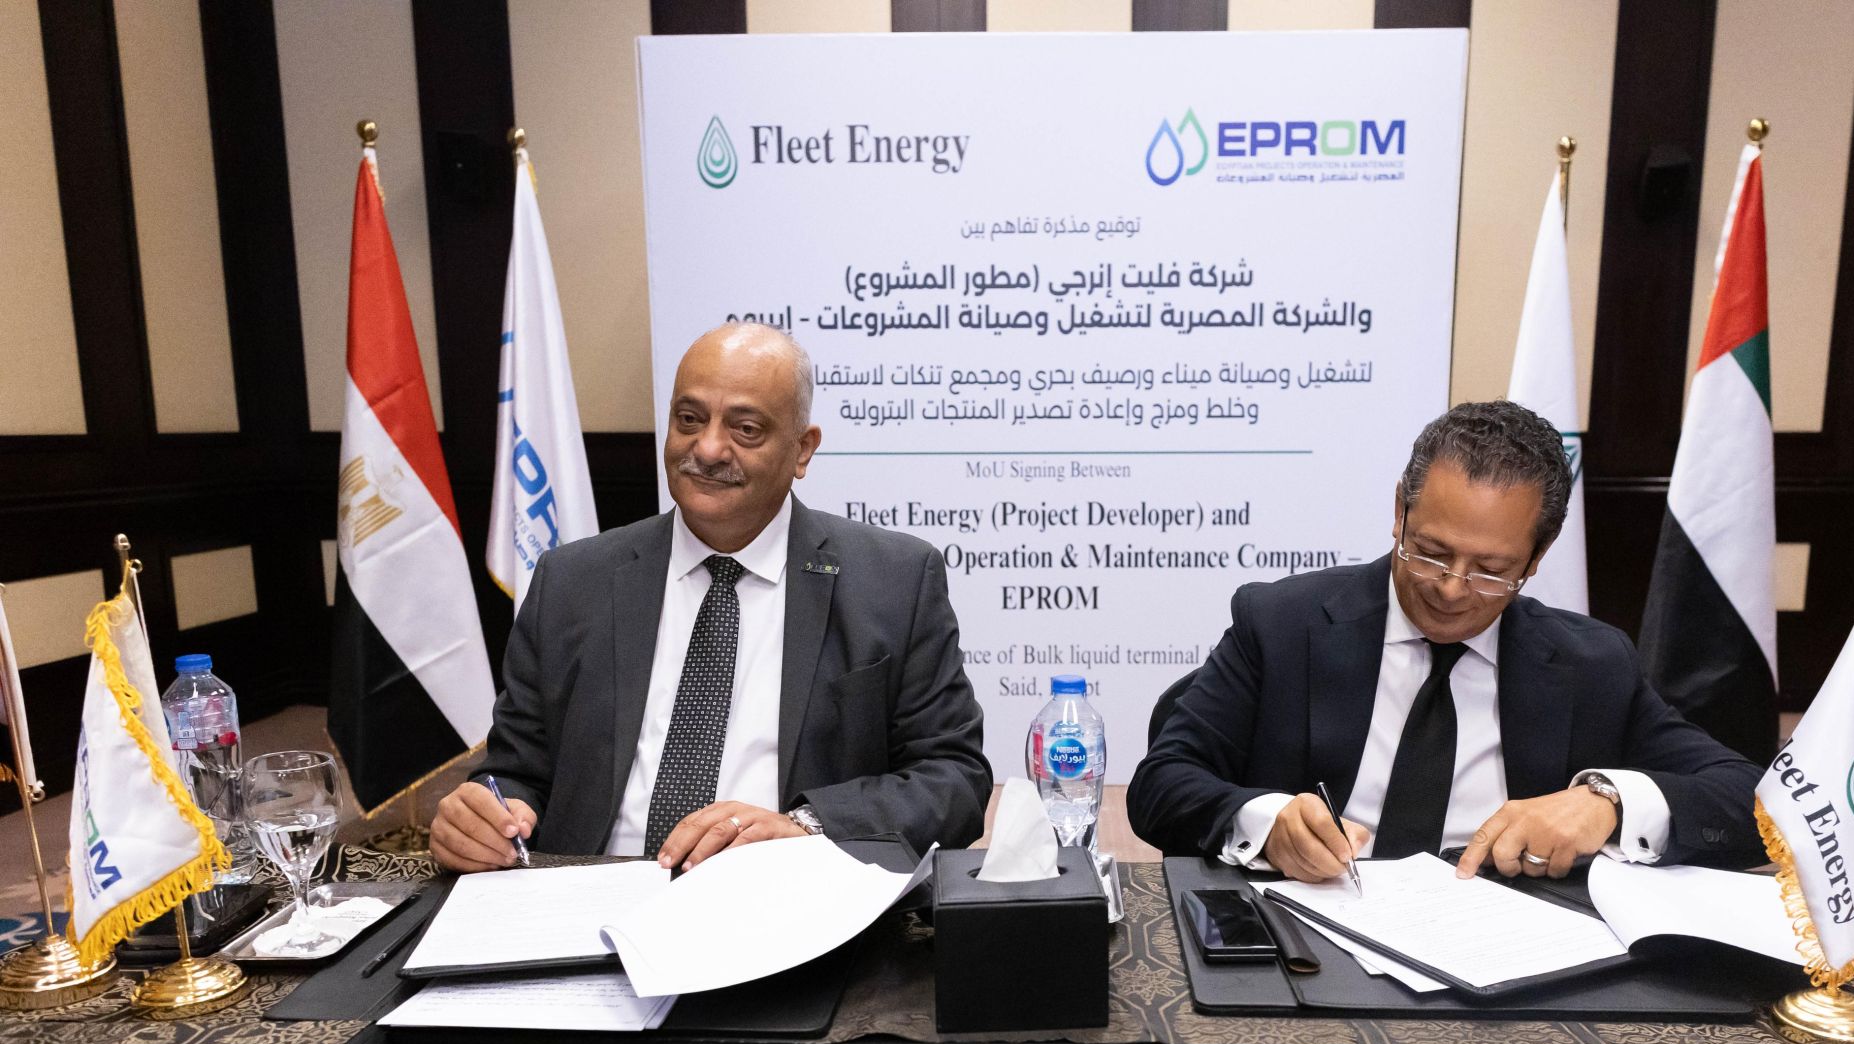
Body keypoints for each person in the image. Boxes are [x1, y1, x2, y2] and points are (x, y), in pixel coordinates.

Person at [430, 322, 992, 872]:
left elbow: (954, 781)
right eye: (689, 419)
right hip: (590, 896)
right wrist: (486, 816)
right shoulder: (572, 581)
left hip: (785, 900)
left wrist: (806, 827)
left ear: (802, 449)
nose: (709, 448)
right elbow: (517, 771)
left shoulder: (893, 580)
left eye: (745, 429)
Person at [1128, 400, 1765, 884]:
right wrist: (1266, 824)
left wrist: (1607, 804)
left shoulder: (1591, 666)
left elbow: (1756, 803)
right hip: (1310, 935)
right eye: (1430, 552)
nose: (1453, 589)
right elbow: (1162, 784)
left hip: (1505, 959)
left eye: (1491, 570)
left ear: (1537, 556)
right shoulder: (1282, 624)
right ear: (1400, 511)